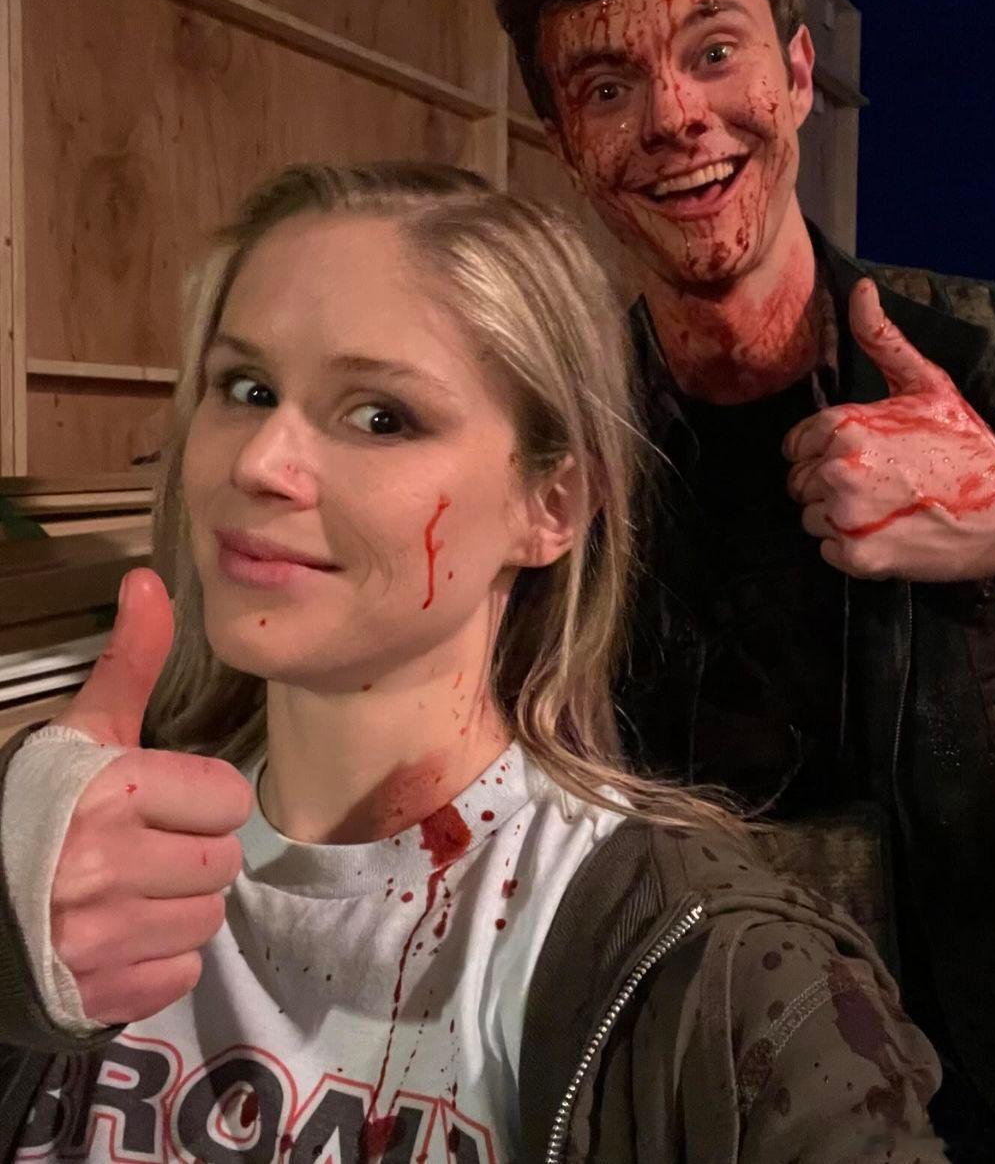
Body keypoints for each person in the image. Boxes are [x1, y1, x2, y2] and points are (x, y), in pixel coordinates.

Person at [0, 163, 944, 1163]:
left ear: (551, 506)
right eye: (247, 388)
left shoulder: (718, 980)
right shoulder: (63, 864)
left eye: (380, 416)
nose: (257, 462)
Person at [490, 0, 995, 1163]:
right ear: (567, 144)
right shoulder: (554, 456)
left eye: (714, 49)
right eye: (608, 83)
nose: (676, 116)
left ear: (798, 73)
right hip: (694, 1089)